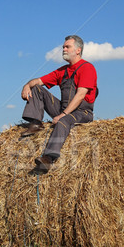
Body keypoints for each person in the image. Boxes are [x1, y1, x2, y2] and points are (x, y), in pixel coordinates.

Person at [20, 35, 98, 173]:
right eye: (63, 47)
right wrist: (27, 86)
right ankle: (36, 124)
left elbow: (80, 95)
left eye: (67, 47)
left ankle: (48, 159)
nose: (64, 49)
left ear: (78, 50)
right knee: (37, 89)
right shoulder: (63, 71)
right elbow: (38, 81)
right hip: (64, 109)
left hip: (82, 113)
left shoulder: (87, 68)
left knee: (63, 121)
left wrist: (63, 114)